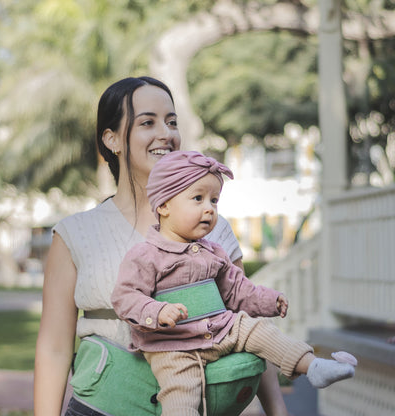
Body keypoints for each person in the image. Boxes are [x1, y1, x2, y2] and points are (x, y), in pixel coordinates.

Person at [34, 76, 294, 416]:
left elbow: (241, 321)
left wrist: (276, 410)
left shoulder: (215, 228)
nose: (166, 133)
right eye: (147, 122)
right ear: (111, 139)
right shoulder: (75, 234)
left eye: (172, 122)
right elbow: (54, 347)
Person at [112, 150, 357, 416]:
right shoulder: (145, 254)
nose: (209, 208)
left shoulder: (213, 251)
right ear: (163, 206)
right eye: (198, 198)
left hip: (221, 329)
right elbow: (125, 296)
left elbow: (237, 290)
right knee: (180, 395)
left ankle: (312, 366)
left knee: (259, 329)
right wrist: (156, 311)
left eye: (214, 200)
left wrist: (267, 300)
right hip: (173, 346)